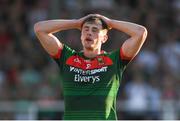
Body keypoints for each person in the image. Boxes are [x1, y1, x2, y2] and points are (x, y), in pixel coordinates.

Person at [34, 14, 147, 120]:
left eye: (95, 30)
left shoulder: (114, 60)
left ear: (104, 38)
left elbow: (140, 32)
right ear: (81, 36)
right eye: (86, 29)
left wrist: (110, 22)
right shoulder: (67, 57)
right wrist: (76, 23)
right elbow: (39, 28)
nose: (89, 33)